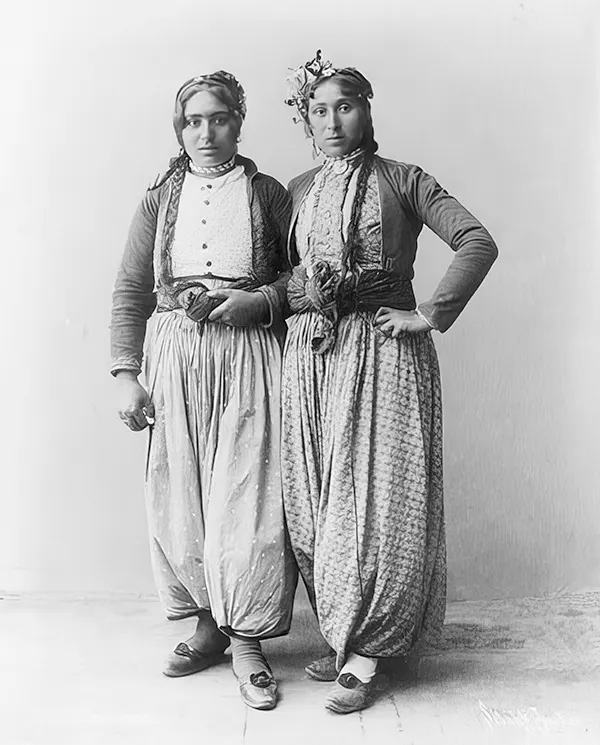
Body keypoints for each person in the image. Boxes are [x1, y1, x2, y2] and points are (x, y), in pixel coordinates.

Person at [282, 51, 498, 714]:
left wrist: (428, 313)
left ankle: (368, 651)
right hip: (312, 357)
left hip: (383, 354)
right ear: (307, 120)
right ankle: (339, 629)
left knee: (372, 502)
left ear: (367, 110)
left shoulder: (404, 180)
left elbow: (475, 240)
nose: (332, 120)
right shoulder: (295, 189)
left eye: (345, 105)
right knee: (312, 503)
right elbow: (283, 277)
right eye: (319, 109)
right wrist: (302, 292)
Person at [110, 71, 297, 711]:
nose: (205, 132)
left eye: (218, 118)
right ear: (179, 129)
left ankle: (248, 639)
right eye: (193, 121)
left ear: (239, 123)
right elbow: (132, 290)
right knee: (180, 492)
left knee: (249, 494)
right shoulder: (160, 197)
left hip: (249, 353)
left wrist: (260, 301)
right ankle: (209, 626)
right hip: (174, 355)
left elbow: (303, 276)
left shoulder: (270, 194)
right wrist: (127, 374)